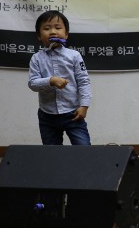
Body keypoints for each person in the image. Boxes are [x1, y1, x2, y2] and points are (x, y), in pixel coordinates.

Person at [28, 10, 92, 145]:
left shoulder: (74, 56)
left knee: (84, 148)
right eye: (47, 28)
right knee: (52, 152)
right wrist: (50, 81)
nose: (52, 32)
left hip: (73, 112)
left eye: (58, 28)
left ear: (66, 34)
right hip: (47, 115)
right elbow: (32, 83)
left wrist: (84, 106)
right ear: (39, 36)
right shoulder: (36, 58)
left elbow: (84, 81)